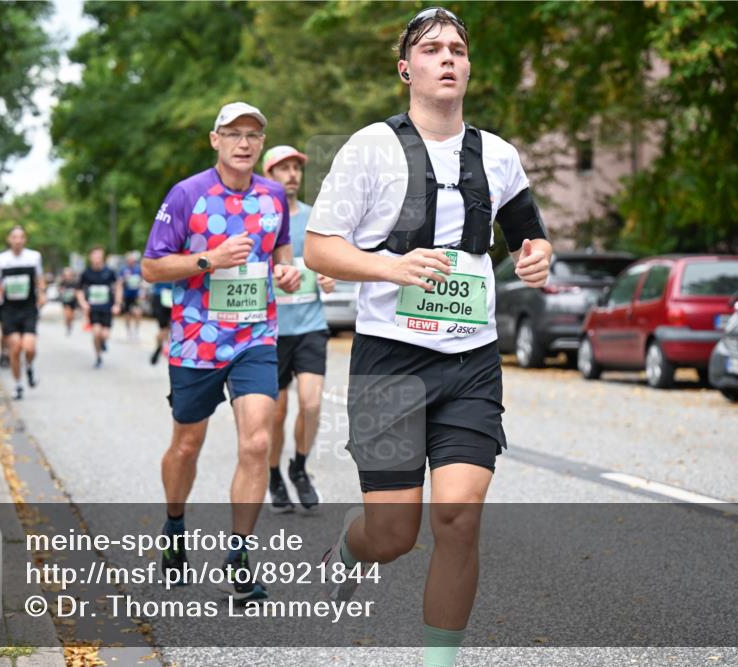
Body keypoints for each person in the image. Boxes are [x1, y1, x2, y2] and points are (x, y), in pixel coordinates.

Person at [304, 9, 552, 667]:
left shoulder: (498, 155)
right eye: (432, 48)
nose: (448, 57)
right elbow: (318, 249)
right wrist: (390, 265)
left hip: (470, 363)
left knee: (458, 518)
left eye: (458, 49)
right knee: (392, 531)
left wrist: (536, 257)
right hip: (390, 361)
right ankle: (353, 550)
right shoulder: (369, 148)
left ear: (468, 68)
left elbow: (531, 232)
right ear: (405, 68)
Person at [141, 101, 300, 602]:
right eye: (234, 133)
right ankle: (173, 525)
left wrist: (288, 275)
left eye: (254, 134)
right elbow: (151, 267)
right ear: (216, 140)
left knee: (256, 442)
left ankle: (240, 554)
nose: (245, 142)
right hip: (196, 339)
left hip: (256, 336)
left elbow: (282, 259)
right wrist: (208, 259)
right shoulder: (187, 194)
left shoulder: (274, 196)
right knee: (187, 446)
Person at [261, 145, 336, 513]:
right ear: (268, 175)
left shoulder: (312, 218)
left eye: (296, 168)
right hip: (271, 331)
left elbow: (329, 261)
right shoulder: (258, 219)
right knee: (275, 413)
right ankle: (274, 474)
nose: (292, 174)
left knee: (310, 403)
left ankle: (299, 468)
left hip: (310, 325)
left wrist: (328, 275)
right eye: (283, 168)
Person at [0, 226, 45, 400]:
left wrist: (42, 294)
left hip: (28, 308)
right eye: (14, 237)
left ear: (25, 240)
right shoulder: (1, 259)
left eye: (21, 237)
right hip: (10, 310)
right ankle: (18, 385)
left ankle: (29, 366)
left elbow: (39, 279)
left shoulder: (34, 257)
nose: (18, 240)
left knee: (29, 347)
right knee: (14, 347)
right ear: (9, 239)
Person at [77, 246, 121, 369]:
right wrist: (83, 303)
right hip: (93, 308)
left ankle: (103, 342)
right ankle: (98, 357)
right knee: (96, 332)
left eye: (99, 256)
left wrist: (117, 304)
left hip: (107, 307)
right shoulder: (86, 273)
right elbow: (79, 290)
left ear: (103, 257)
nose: (97, 258)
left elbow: (118, 286)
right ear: (90, 258)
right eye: (94, 256)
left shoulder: (110, 272)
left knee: (105, 335)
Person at [119, 252, 144, 340]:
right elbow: (119, 282)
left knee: (138, 313)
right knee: (127, 315)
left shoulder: (138, 269)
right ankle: (128, 331)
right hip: (126, 295)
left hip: (135, 295)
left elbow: (142, 281)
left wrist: (142, 292)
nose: (131, 262)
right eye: (129, 260)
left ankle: (136, 331)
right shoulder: (123, 269)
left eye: (132, 260)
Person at [148, 281, 172, 366]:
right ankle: (160, 346)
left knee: (164, 328)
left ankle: (160, 346)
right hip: (166, 295)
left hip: (161, 294)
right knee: (166, 328)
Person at [59, 267, 79, 336]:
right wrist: (61, 291)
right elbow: (59, 290)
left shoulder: (75, 283)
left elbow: (78, 291)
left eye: (69, 275)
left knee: (71, 316)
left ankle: (70, 325)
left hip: (73, 301)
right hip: (65, 301)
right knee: (67, 315)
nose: (67, 276)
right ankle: (67, 325)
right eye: (66, 275)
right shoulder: (62, 282)